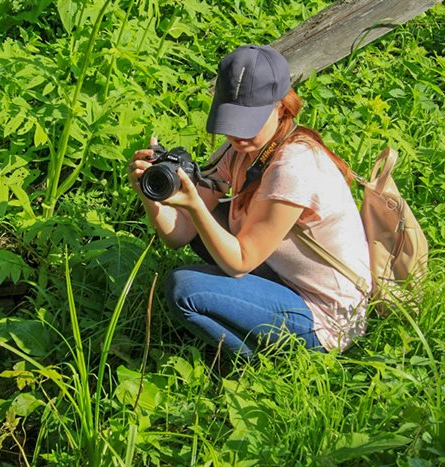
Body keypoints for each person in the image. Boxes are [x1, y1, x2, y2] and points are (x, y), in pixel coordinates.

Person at [127, 45, 371, 359]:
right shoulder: (240, 150)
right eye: (232, 120)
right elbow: (179, 235)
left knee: (185, 290)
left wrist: (194, 206)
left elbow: (240, 262)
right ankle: (252, 324)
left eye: (250, 120)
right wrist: (151, 195)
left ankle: (255, 363)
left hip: (327, 316)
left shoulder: (294, 166)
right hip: (285, 277)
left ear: (282, 107)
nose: (238, 134)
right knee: (211, 223)